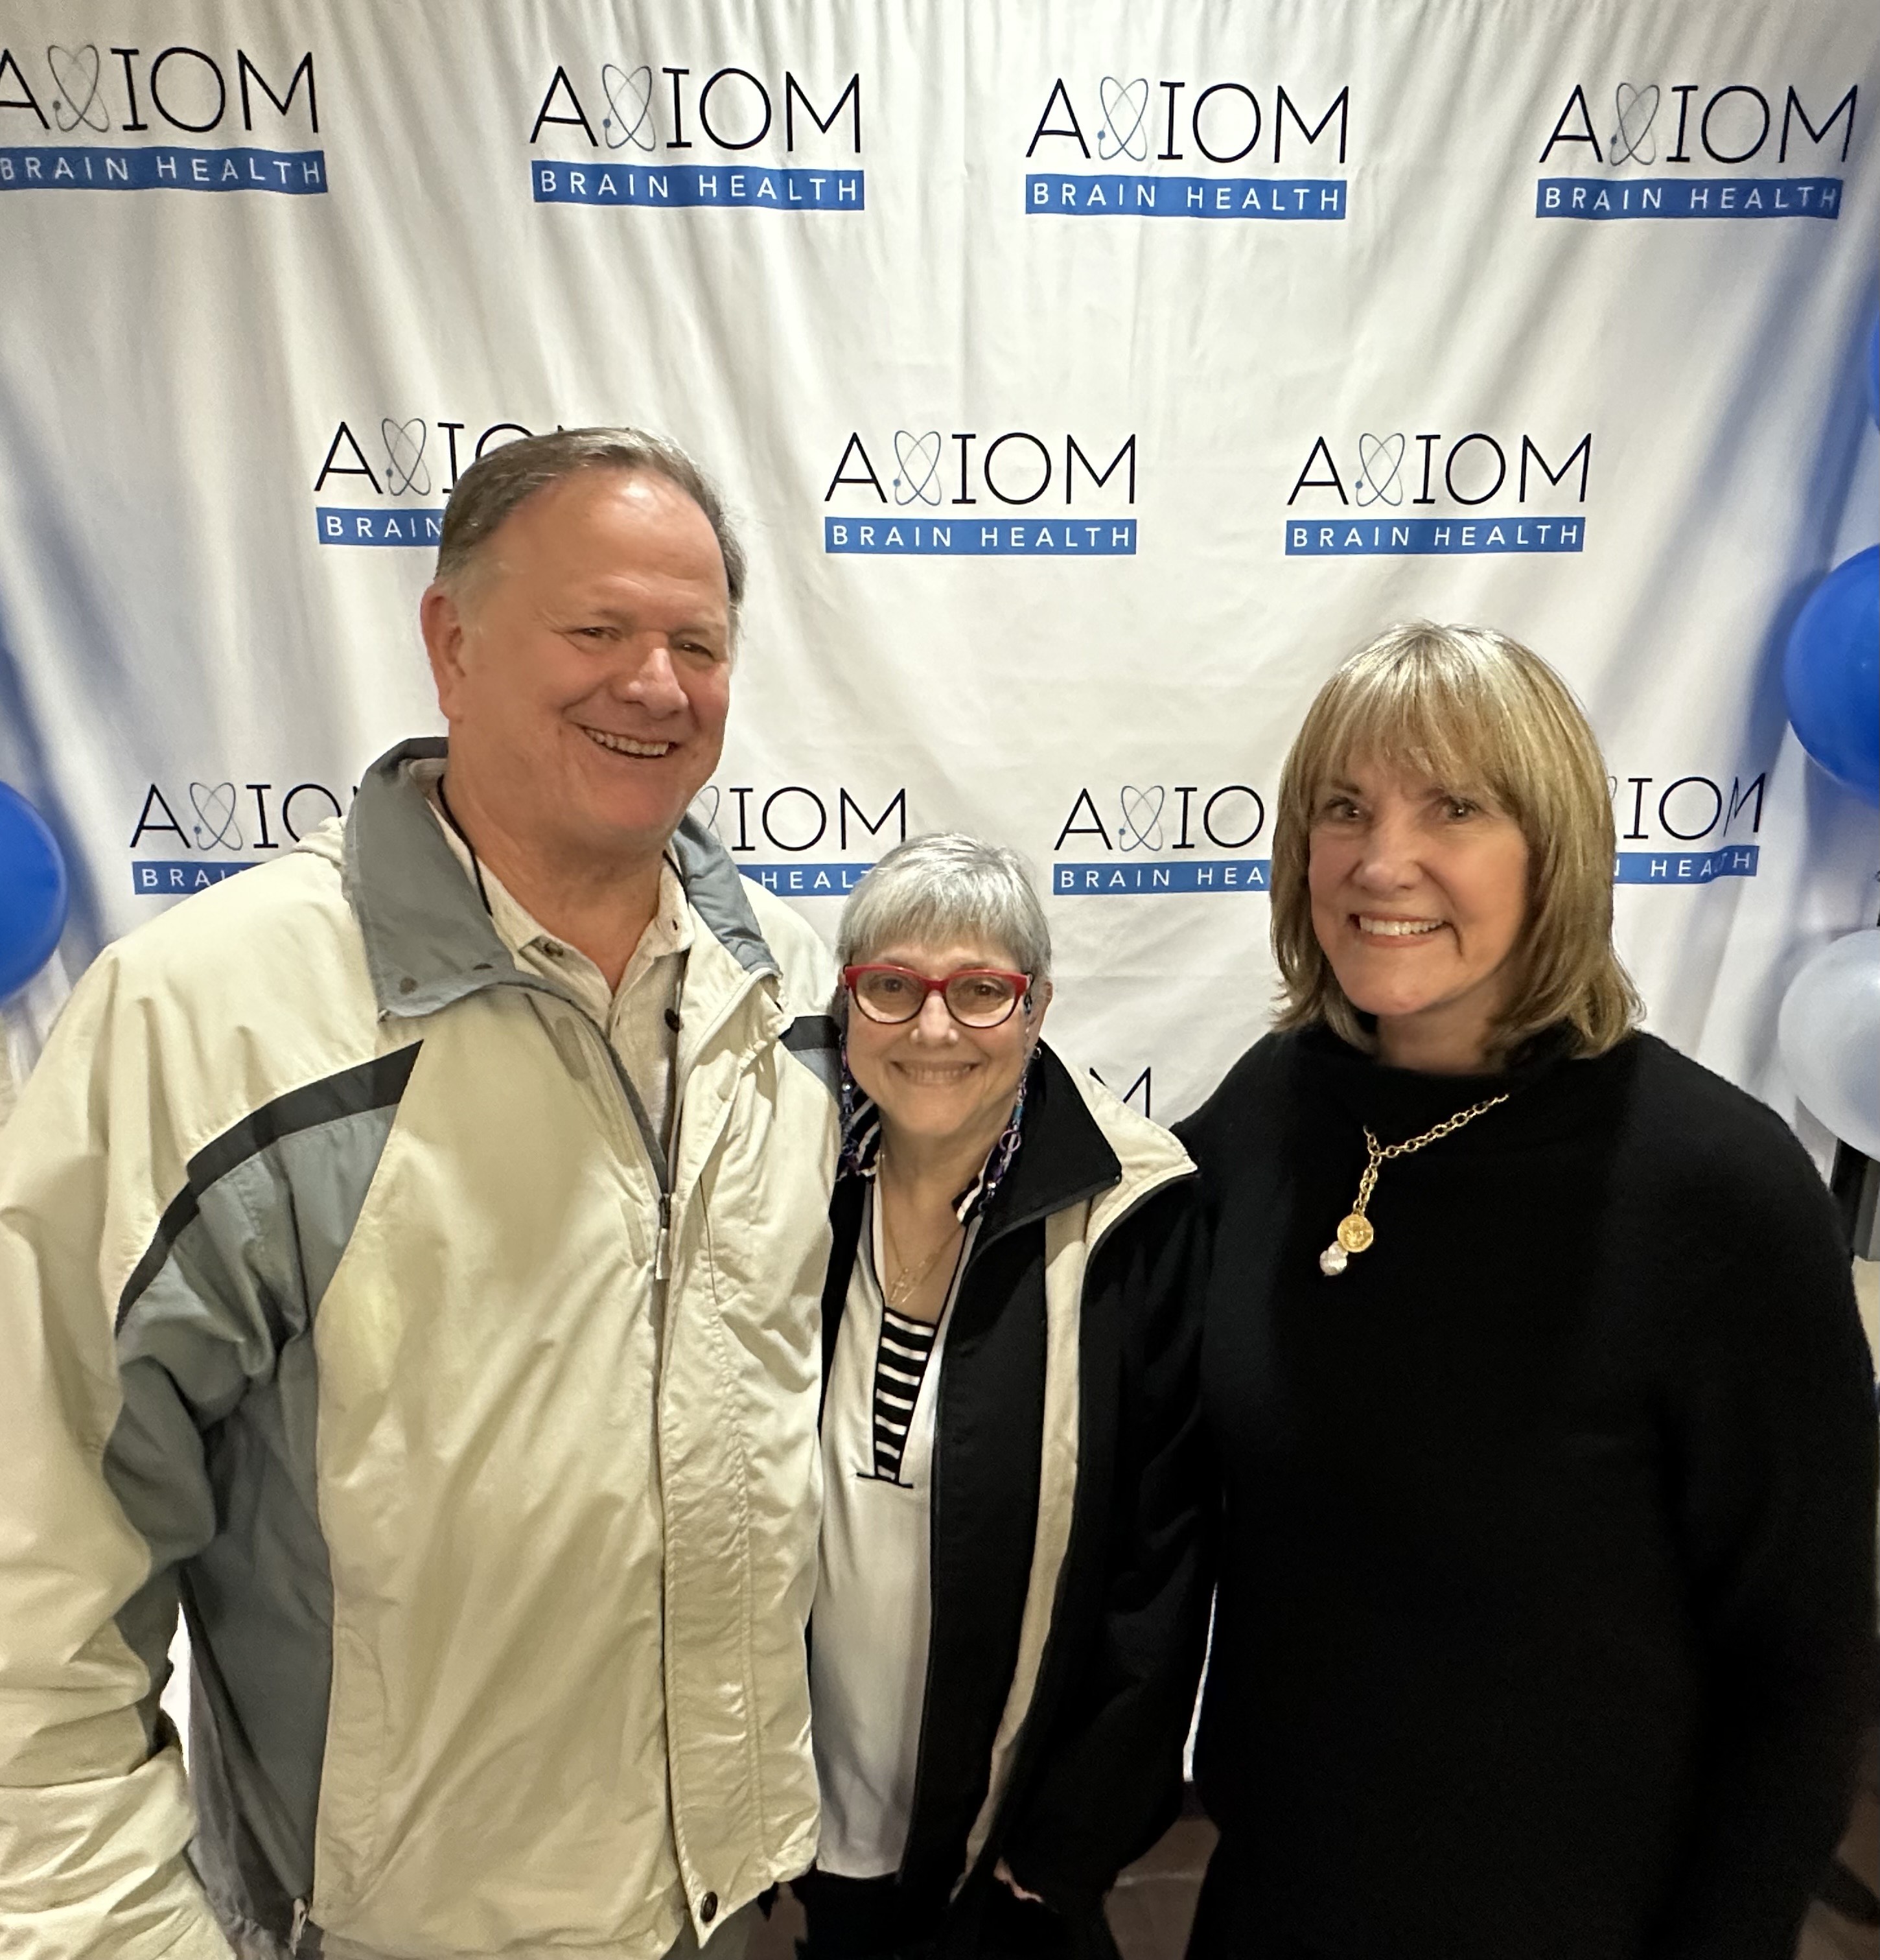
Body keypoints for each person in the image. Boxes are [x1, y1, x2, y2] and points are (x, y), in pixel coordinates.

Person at [0, 429, 844, 1960]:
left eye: (695, 643)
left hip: (737, 1911)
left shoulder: (784, 999)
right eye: (595, 631)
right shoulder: (212, 1021)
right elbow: (35, 1558)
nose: (652, 684)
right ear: (449, 644)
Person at [1177, 621, 1877, 1960]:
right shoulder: (1265, 1116)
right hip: (1277, 1897)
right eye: (1343, 808)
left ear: (1551, 848)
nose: (1382, 861)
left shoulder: (1714, 1189)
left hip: (1567, 1914)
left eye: (1453, 807)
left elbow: (1795, 1668)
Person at [793, 835, 1211, 1960]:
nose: (933, 1031)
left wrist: (1072, 1837)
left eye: (982, 992)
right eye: (892, 987)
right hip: (814, 1790)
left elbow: (1160, 1559)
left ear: (1037, 1010)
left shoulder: (1127, 1216)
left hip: (1005, 1831)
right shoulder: (794, 1170)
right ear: (846, 1004)